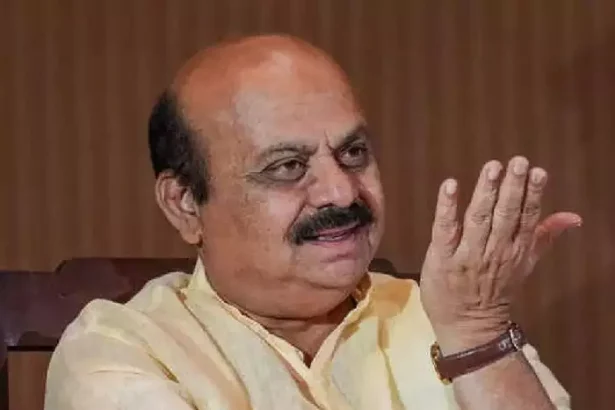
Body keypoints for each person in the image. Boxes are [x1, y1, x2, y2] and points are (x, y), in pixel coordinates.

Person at [44, 34, 581, 410]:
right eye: (288, 167)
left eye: (353, 153)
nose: (341, 192)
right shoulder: (122, 349)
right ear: (184, 203)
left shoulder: (448, 317)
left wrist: (477, 338)